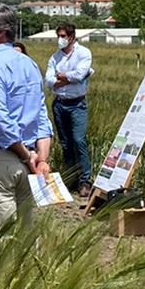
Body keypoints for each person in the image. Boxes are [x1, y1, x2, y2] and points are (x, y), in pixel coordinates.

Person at [0, 3, 52, 236]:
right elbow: (42, 116)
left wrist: (26, 156)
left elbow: (1, 120)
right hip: (32, 157)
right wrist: (41, 159)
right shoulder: (29, 64)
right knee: (26, 232)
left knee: (0, 235)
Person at [43, 23, 94, 194]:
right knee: (65, 143)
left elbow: (80, 75)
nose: (60, 39)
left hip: (77, 103)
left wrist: (61, 77)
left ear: (72, 37)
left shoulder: (83, 53)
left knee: (78, 140)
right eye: (59, 36)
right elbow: (48, 80)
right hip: (60, 103)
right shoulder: (55, 57)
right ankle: (71, 177)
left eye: (64, 36)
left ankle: (85, 180)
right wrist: (67, 78)